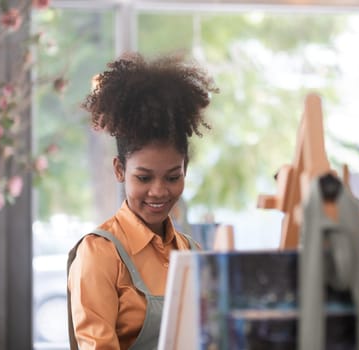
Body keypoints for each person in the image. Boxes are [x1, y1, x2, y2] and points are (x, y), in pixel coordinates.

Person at [67, 52, 218, 350]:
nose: (159, 192)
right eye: (144, 178)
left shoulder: (191, 251)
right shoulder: (99, 253)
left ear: (185, 169)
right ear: (120, 170)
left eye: (173, 177)